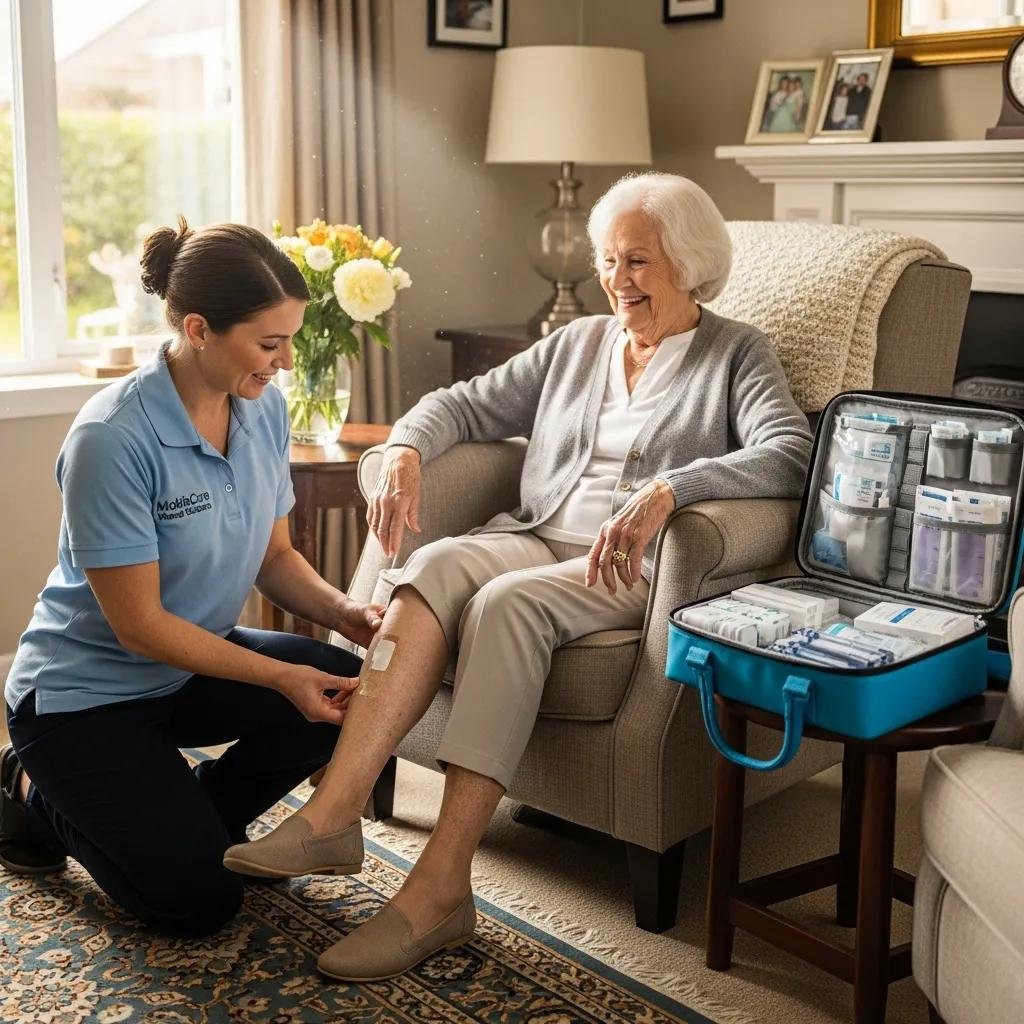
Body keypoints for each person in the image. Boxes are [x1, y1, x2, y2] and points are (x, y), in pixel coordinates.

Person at [224, 173, 814, 981]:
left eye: (637, 261)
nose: (617, 280)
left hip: (626, 568)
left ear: (690, 261)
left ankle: (440, 890)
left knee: (505, 604)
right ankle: (333, 813)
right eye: (609, 260)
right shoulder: (578, 343)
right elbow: (461, 405)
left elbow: (789, 451)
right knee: (431, 566)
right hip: (538, 536)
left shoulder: (735, 351)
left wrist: (672, 489)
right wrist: (401, 449)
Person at [0, 218, 385, 936]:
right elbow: (140, 627)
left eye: (290, 339)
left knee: (343, 691)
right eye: (270, 344)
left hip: (183, 671)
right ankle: (30, 787)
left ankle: (192, 822)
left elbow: (274, 557)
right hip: (82, 700)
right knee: (199, 902)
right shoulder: (111, 438)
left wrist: (344, 612)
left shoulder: (261, 406)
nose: (286, 361)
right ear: (200, 329)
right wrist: (275, 677)